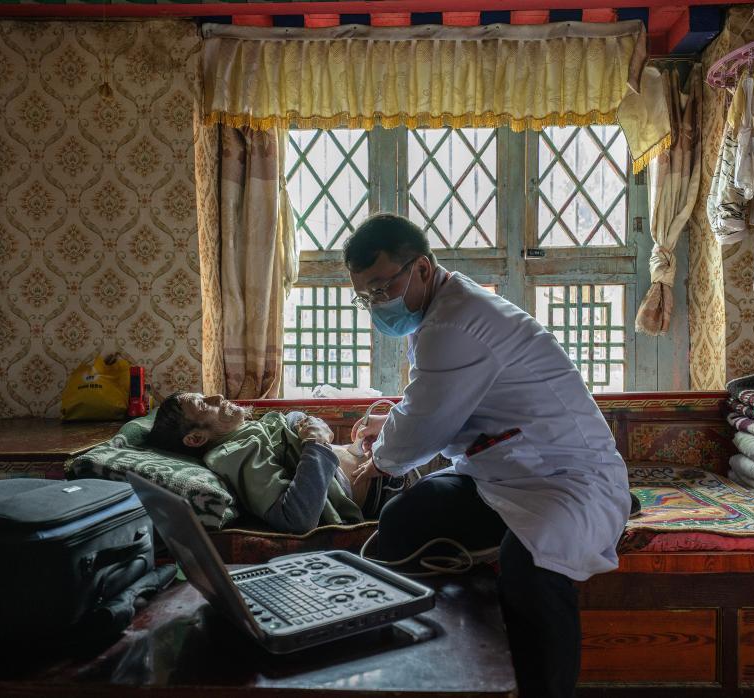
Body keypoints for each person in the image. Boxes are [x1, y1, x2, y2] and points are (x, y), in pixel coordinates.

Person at [344, 213, 631, 698]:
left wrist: (380, 460)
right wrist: (390, 429)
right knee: (403, 519)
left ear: (422, 268)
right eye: (366, 296)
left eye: (382, 287)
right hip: (499, 475)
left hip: (565, 477)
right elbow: (433, 405)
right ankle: (440, 663)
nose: (377, 304)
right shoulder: (439, 313)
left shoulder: (457, 321)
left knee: (532, 563)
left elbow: (423, 425)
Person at [146, 392, 389, 534]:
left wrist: (301, 423)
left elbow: (291, 421)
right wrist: (316, 442)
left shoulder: (245, 431)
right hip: (384, 491)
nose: (217, 396)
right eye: (203, 404)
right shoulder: (234, 454)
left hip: (383, 461)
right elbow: (297, 517)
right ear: (196, 438)